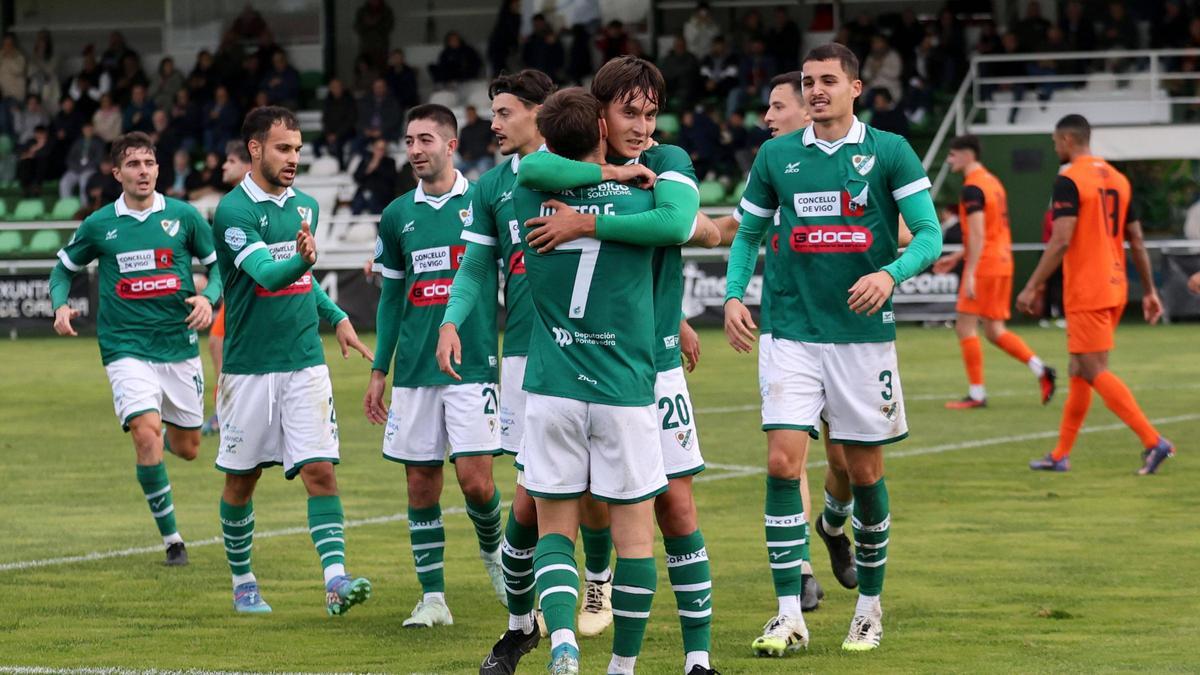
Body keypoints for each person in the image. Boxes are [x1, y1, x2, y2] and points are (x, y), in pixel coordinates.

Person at [440, 85, 695, 675]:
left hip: (558, 366)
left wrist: (669, 310)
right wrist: (453, 320)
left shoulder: (531, 184)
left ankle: (573, 617)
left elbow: (670, 235)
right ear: (600, 127)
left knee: (558, 509)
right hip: (575, 369)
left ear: (540, 120)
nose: (496, 124)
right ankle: (533, 630)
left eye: (505, 112)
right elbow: (479, 261)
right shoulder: (622, 193)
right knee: (548, 507)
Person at [494, 55, 723, 674]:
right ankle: (532, 626)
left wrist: (585, 220)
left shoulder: (665, 162)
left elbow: (676, 222)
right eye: (630, 112)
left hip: (647, 364)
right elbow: (543, 159)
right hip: (617, 373)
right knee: (540, 510)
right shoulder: (574, 171)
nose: (644, 127)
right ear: (599, 114)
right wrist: (623, 185)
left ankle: (696, 658)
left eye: (652, 114)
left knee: (674, 506)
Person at [724, 43, 943, 654]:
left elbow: (929, 234)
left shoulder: (890, 151)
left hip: (861, 340)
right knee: (780, 464)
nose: (816, 89)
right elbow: (748, 233)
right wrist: (735, 295)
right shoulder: (775, 155)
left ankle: (869, 610)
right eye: (808, 81)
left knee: (863, 471)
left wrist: (889, 274)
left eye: (827, 80)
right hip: (790, 332)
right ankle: (788, 613)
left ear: (854, 87)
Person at [702, 71, 867, 614]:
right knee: (785, 460)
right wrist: (676, 221)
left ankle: (832, 526)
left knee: (844, 462)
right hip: (788, 329)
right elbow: (738, 228)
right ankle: (798, 572)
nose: (767, 118)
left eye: (776, 107)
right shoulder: (774, 167)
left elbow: (902, 229)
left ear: (810, 109)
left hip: (847, 332)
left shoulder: (856, 161)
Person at [211, 106, 374, 615]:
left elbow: (302, 283)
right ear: (255, 149)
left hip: (305, 361)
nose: (293, 158)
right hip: (248, 369)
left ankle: (336, 580)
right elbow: (267, 274)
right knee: (242, 481)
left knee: (320, 472)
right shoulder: (233, 213)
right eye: (283, 148)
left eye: (298, 149)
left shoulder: (306, 205)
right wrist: (302, 261)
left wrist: (337, 314)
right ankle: (243, 582)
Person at [48, 132, 223, 567]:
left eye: (149, 163)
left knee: (187, 449)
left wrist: (208, 298)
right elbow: (61, 269)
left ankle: (157, 423)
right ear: (117, 173)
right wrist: (59, 305)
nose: (142, 171)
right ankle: (173, 540)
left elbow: (218, 269)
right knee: (147, 433)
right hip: (124, 347)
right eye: (133, 164)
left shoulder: (184, 217)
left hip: (178, 347)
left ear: (158, 169)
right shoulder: (99, 224)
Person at [362, 103, 507, 628]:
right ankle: (433, 598)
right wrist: (381, 369)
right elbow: (392, 297)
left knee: (477, 483)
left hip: (473, 367)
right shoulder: (398, 214)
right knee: (420, 486)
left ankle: (494, 554)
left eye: (426, 139)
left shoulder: (485, 202)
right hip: (416, 372)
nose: (415, 150)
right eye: (409, 140)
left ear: (451, 146)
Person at [1018, 115, 1175, 475]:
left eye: (1056, 142)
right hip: (1116, 285)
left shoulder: (1069, 178)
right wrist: (1148, 291)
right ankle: (1060, 454)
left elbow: (1061, 239)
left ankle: (1153, 441)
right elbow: (1135, 238)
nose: (1055, 148)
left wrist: (1033, 285)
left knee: (1092, 368)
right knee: (1079, 370)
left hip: (1088, 287)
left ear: (1070, 139)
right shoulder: (1119, 179)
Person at [937, 135, 1056, 409]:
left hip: (985, 265)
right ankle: (1041, 369)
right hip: (1002, 261)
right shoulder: (993, 183)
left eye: (953, 155)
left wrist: (969, 272)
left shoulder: (972, 188)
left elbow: (978, 234)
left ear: (967, 154)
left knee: (965, 326)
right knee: (994, 330)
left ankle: (977, 393)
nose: (949, 160)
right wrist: (956, 257)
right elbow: (988, 233)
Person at [201, 140, 254, 437]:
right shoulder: (231, 202)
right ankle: (226, 412)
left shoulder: (243, 203)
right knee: (218, 343)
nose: (223, 166)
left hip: (250, 292)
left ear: (248, 165)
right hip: (235, 293)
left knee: (223, 345)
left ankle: (230, 414)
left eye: (230, 161)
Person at [60, 120, 105, 201]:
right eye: (86, 129)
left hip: (90, 169)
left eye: (90, 129)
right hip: (76, 169)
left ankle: (84, 207)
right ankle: (67, 205)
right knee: (64, 182)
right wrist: (76, 167)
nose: (88, 131)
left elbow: (98, 159)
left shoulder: (99, 142)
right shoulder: (77, 142)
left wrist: (85, 167)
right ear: (83, 130)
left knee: (84, 181)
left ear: (93, 130)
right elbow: (70, 158)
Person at [317, 78, 356, 169]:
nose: (335, 89)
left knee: (338, 145)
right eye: (333, 87)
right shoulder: (328, 101)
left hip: (346, 132)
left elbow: (350, 121)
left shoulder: (349, 100)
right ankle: (323, 166)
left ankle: (341, 169)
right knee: (316, 144)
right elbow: (325, 119)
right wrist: (328, 134)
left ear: (342, 88)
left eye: (337, 87)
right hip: (330, 133)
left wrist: (336, 134)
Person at [351, 137, 397, 214]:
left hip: (382, 195)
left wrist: (378, 166)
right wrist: (369, 169)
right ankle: (351, 224)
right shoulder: (366, 160)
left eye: (382, 149)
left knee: (373, 202)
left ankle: (380, 225)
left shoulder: (390, 162)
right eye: (378, 148)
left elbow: (392, 179)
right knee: (359, 202)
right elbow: (357, 177)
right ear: (373, 148)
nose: (380, 151)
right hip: (364, 193)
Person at [455, 105, 497, 177]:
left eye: (471, 114)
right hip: (470, 159)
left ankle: (486, 188)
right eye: (468, 114)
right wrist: (463, 155)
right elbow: (460, 146)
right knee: (455, 172)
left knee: (484, 170)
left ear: (475, 113)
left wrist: (494, 144)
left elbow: (497, 135)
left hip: (485, 156)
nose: (470, 116)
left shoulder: (486, 124)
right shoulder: (464, 130)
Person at [354, 0, 395, 69]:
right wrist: (367, 24)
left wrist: (375, 23)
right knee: (365, 69)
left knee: (381, 70)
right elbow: (357, 27)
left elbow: (389, 26)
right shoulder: (362, 11)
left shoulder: (386, 10)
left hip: (381, 48)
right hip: (366, 47)